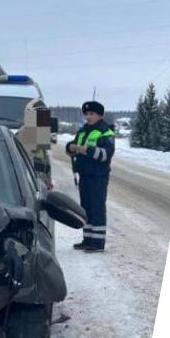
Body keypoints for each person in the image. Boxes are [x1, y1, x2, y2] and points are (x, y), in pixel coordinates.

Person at [65, 100, 115, 252]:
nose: (88, 117)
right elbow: (72, 147)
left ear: (100, 115)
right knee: (85, 208)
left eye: (92, 114)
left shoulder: (105, 132)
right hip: (84, 174)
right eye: (86, 114)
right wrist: (71, 147)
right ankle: (87, 239)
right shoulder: (83, 130)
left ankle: (98, 243)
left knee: (97, 208)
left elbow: (106, 154)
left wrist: (87, 150)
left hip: (98, 176)